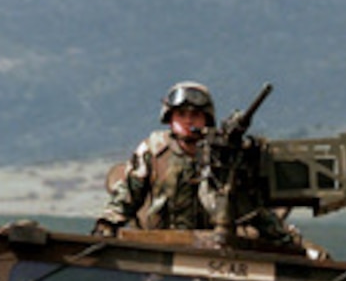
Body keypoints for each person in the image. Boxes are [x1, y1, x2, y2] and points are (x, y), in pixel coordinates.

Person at [94, 81, 295, 243]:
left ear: (206, 119)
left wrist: (285, 238)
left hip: (213, 250)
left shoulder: (224, 156)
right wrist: (106, 226)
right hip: (161, 251)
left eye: (195, 115)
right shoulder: (153, 151)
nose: (188, 121)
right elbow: (126, 197)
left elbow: (252, 209)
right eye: (181, 115)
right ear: (170, 118)